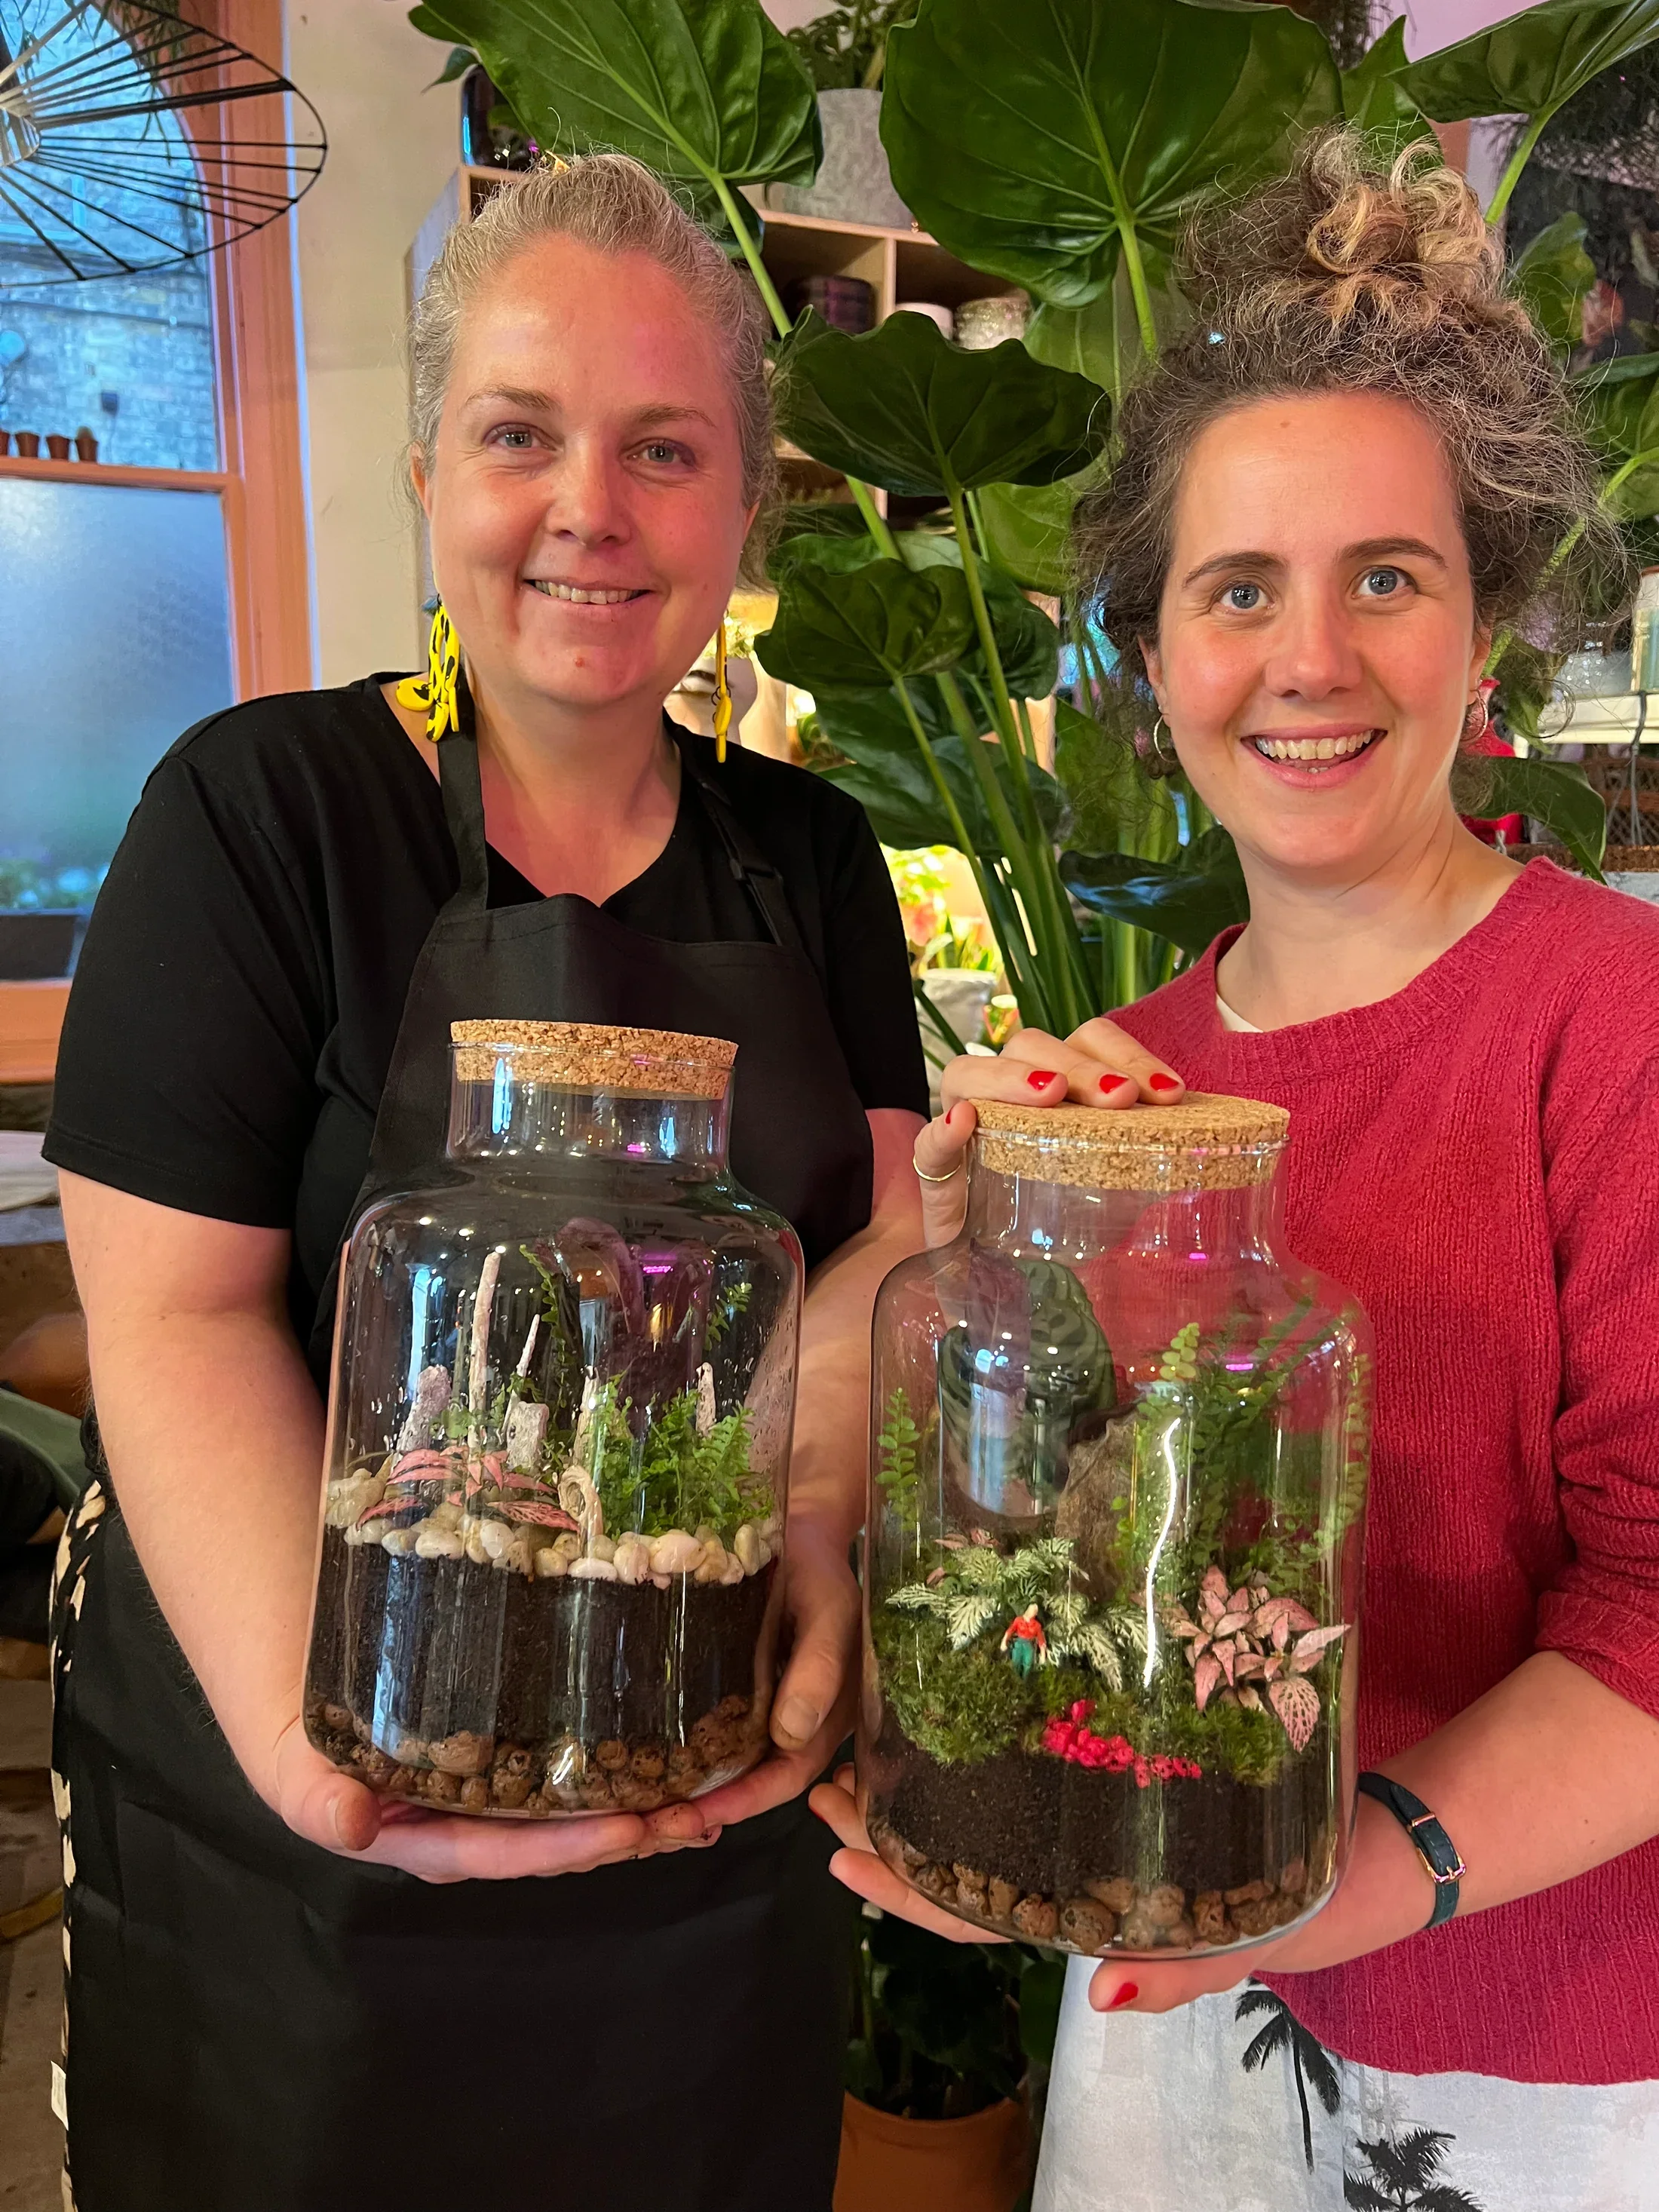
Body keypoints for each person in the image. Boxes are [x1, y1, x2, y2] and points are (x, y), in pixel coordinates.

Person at [44, 154, 929, 2212]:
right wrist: (330, 1749)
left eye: (666, 449)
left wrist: (805, 1500)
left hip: (703, 1795)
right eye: (522, 434)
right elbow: (169, 1312)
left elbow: (881, 1241)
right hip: (307, 1822)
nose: (590, 510)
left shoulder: (812, 860)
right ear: (432, 468)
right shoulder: (264, 813)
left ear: (745, 502)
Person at [815, 133, 1659, 2209]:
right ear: (1152, 647)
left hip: (1551, 2063)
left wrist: (1368, 1872)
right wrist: (969, 1263)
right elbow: (1071, 1576)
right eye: (1236, 588)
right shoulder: (1135, 1090)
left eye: (1387, 574)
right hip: (1164, 2024)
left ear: (1492, 624)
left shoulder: (1614, 1022)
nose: (1309, 658)